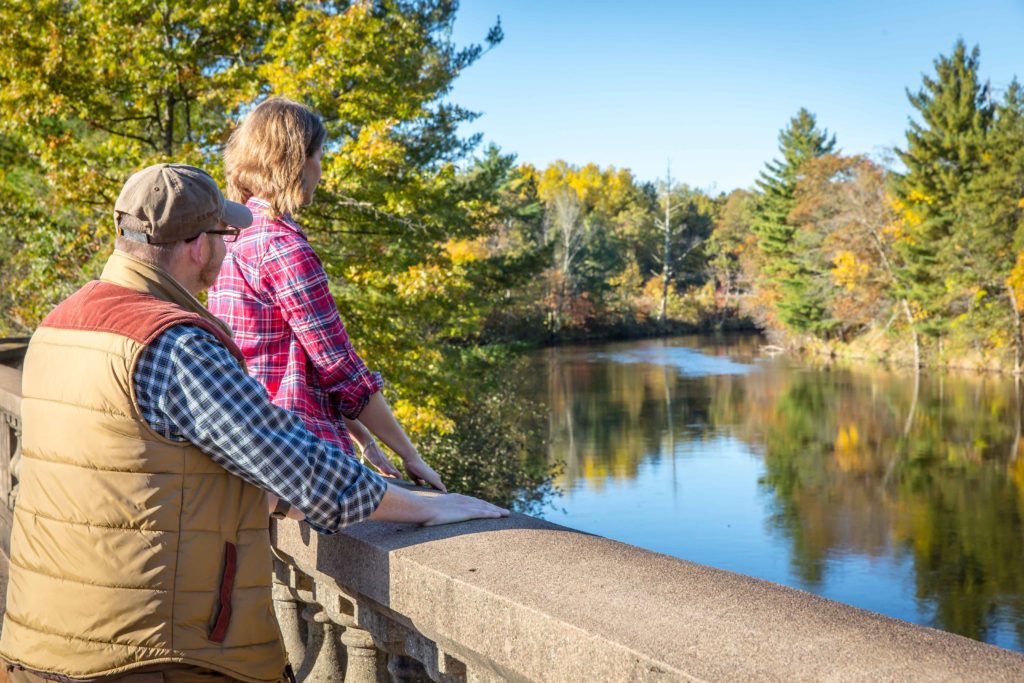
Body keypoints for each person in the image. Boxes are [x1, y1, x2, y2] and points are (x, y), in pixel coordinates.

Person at [0, 164, 507, 683]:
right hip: (150, 657)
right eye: (224, 236)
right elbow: (300, 467)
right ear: (199, 246)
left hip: (39, 646)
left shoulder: (58, 325)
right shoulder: (173, 345)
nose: (228, 251)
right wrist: (422, 507)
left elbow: (133, 467)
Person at [208, 97, 442, 493]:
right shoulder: (284, 248)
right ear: (296, 161)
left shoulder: (231, 238)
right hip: (296, 455)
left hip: (246, 447)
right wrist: (410, 455)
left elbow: (294, 360)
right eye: (319, 156)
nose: (321, 170)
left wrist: (366, 439)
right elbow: (341, 370)